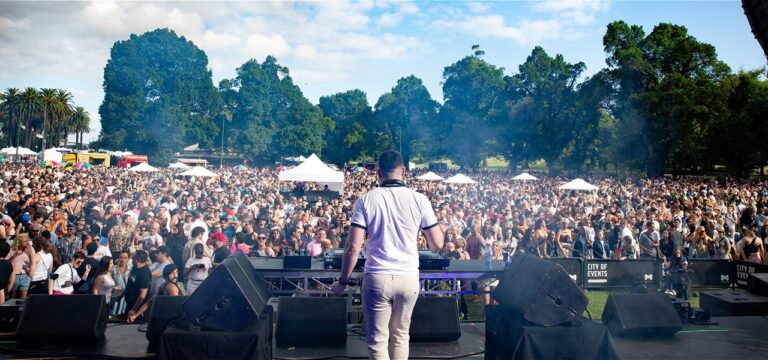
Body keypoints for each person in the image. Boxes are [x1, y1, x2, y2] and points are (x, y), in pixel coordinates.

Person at [332, 150, 444, 360]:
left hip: (377, 277)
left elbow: (353, 247)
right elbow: (437, 243)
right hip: (409, 276)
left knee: (377, 341)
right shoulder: (420, 200)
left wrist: (343, 281)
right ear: (404, 170)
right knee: (401, 337)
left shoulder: (366, 200)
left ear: (377, 172)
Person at [126, 250, 151, 323]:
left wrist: (134, 309)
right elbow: (131, 283)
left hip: (138, 308)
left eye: (133, 258)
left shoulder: (144, 274)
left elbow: (142, 295)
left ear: (138, 260)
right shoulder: (135, 268)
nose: (131, 260)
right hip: (130, 303)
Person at [6, 233, 34, 299]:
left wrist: (30, 251)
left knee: (23, 298)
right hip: (14, 276)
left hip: (25, 275)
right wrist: (15, 255)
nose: (27, 243)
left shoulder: (30, 249)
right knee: (12, 297)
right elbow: (6, 262)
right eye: (25, 241)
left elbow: (33, 261)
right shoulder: (12, 250)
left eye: (27, 241)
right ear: (19, 242)